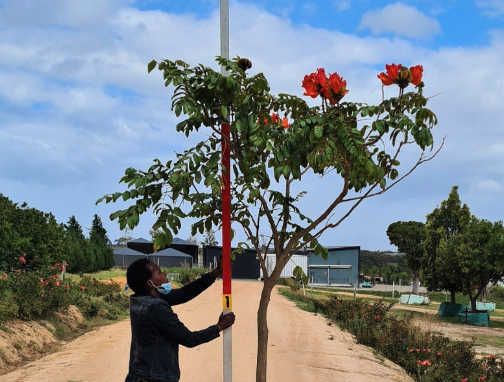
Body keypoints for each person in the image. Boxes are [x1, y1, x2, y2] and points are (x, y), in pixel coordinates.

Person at [124, 257, 235, 382]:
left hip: (136, 375)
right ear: (150, 283)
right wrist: (218, 326)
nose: (165, 274)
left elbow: (183, 294)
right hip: (153, 378)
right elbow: (189, 339)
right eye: (159, 273)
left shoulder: (138, 300)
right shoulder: (156, 307)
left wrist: (215, 272)